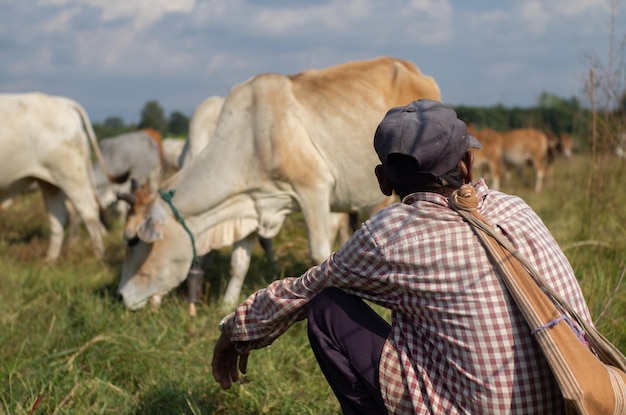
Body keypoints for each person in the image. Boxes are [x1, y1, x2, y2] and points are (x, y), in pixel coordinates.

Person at [211, 99, 593, 414]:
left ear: (383, 181)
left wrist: (236, 332)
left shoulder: (391, 235)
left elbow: (303, 289)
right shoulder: (516, 208)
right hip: (577, 396)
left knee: (326, 305)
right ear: (468, 164)